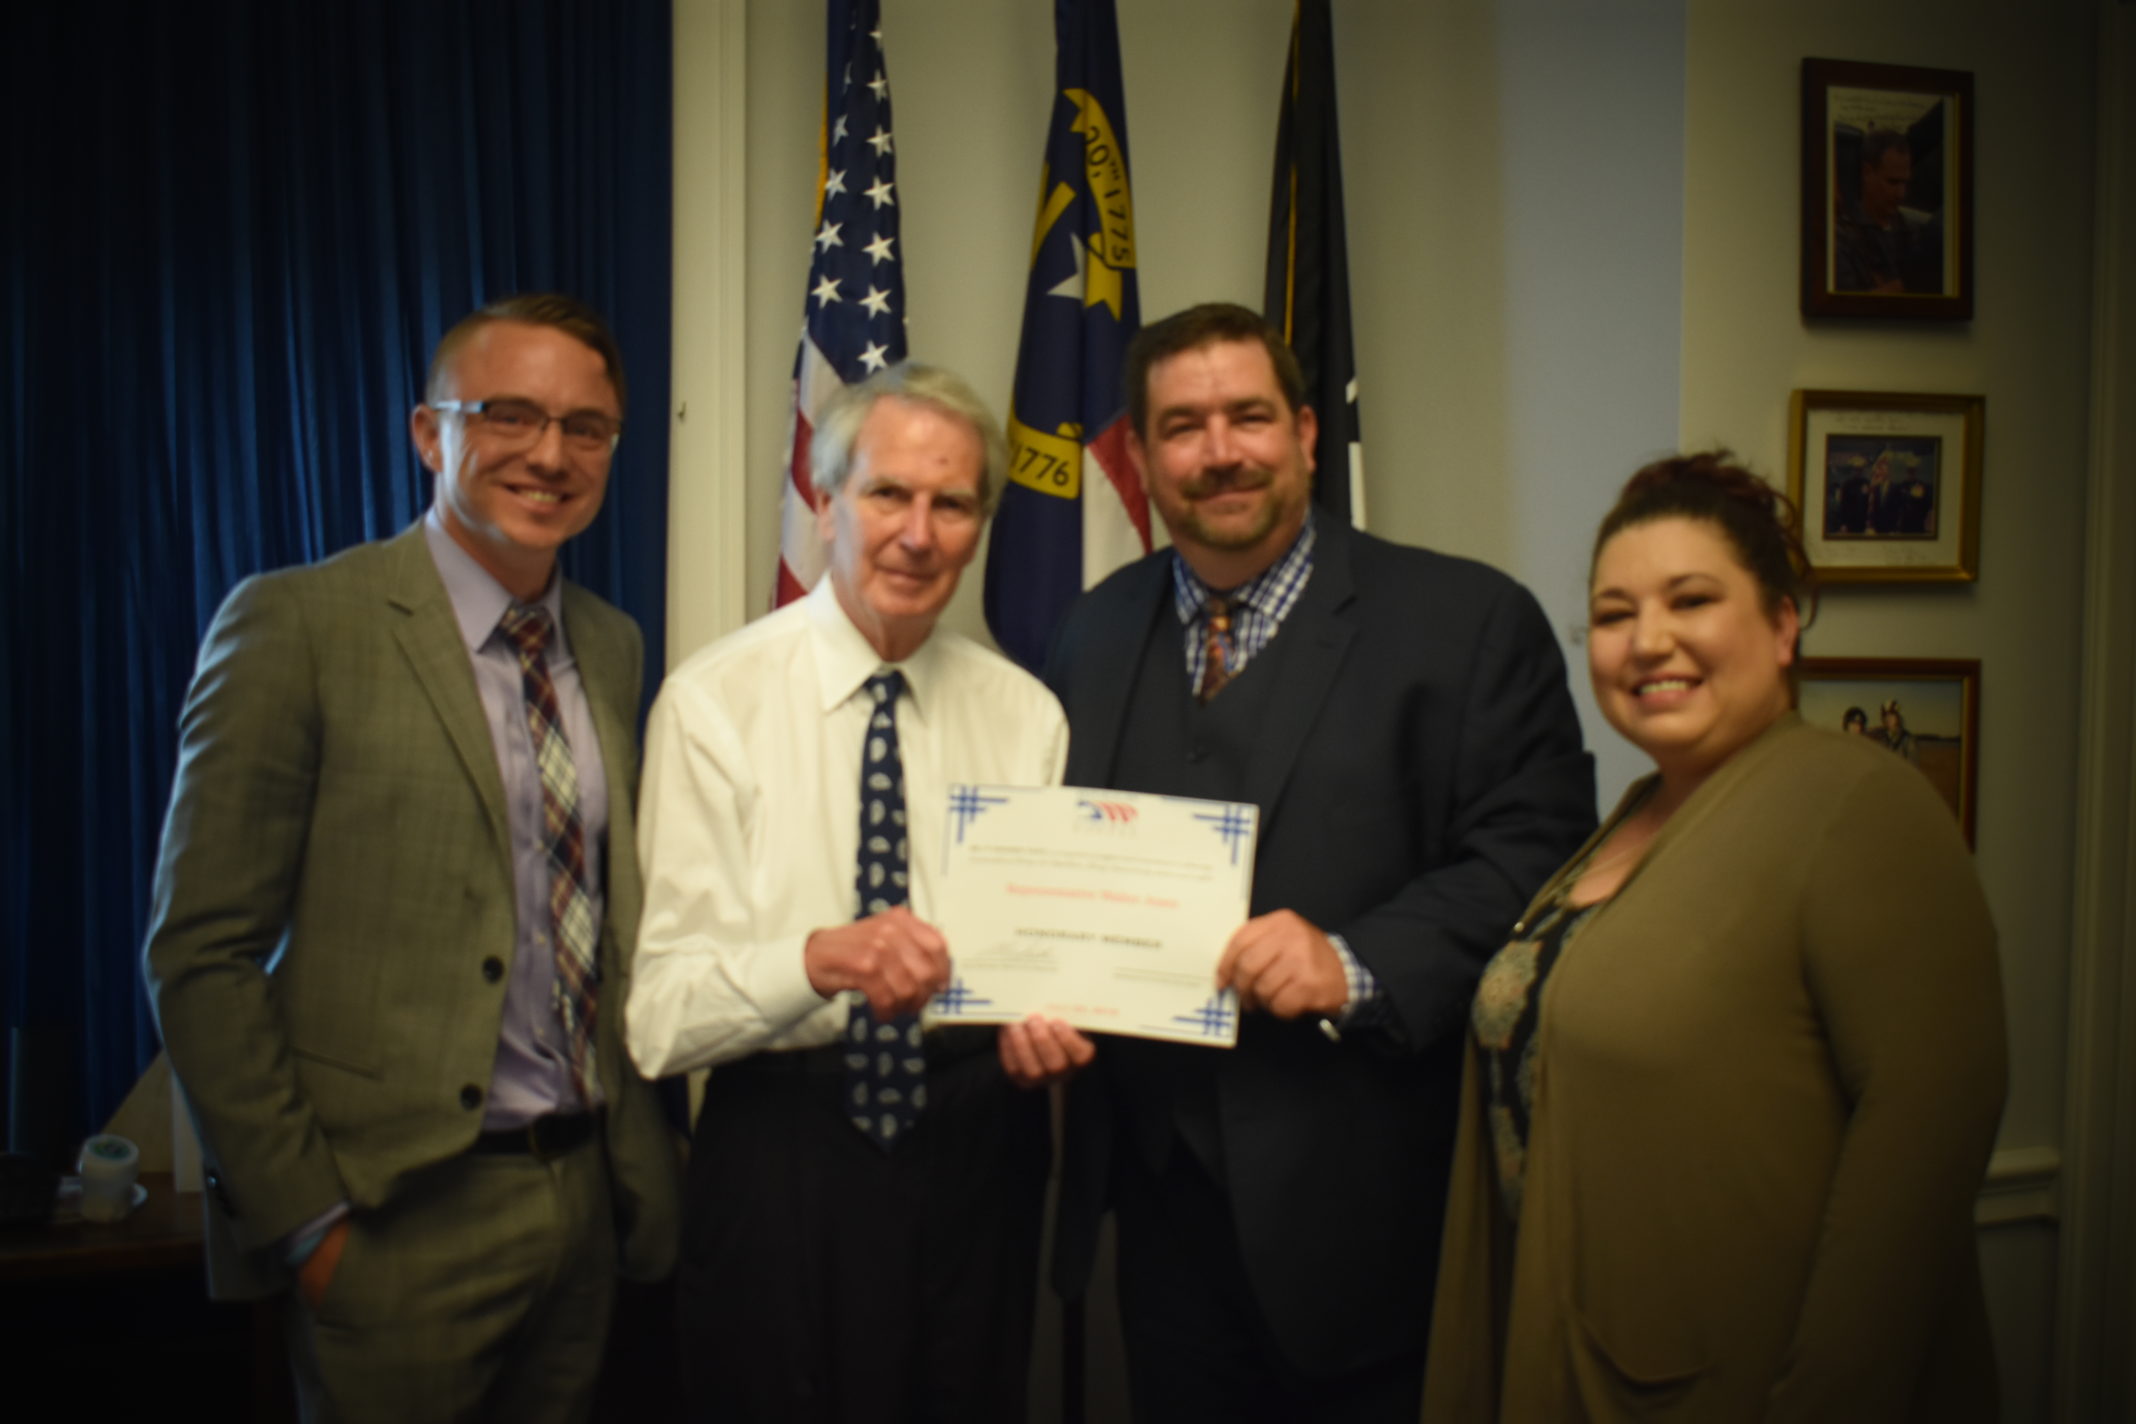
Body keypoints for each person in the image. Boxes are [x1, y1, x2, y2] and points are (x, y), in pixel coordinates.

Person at [1028, 302, 1595, 1421]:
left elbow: (1537, 859)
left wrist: (1357, 959)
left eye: (1249, 416)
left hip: (1367, 1218)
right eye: (1183, 426)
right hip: (1159, 1214)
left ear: (1302, 431)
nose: (1220, 451)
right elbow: (1060, 857)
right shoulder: (1093, 630)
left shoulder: (1467, 620)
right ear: (1141, 458)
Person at [143, 293, 682, 1421]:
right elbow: (200, 952)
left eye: (585, 427)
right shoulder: (298, 626)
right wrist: (307, 1224)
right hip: (392, 1222)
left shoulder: (613, 644)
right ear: (430, 434)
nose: (551, 454)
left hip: (584, 1201)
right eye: (510, 414)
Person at [1422, 452, 2005, 1421]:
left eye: (1690, 600)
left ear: (1781, 624)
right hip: (1577, 1355)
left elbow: (1926, 1141)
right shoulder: (1634, 814)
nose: (1648, 641)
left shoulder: (1859, 802)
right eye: (1614, 615)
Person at [627, 363, 1069, 1422]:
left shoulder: (1028, 716)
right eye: (887, 494)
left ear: (979, 528)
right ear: (825, 505)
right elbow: (659, 1022)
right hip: (786, 1151)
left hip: (980, 1149)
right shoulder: (712, 705)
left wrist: (1042, 1021)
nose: (917, 534)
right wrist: (818, 959)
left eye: (951, 503)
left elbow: (1036, 960)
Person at [1833, 127, 1943, 295]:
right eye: (1892, 182)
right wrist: (1907, 285)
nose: (1901, 194)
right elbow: (1844, 305)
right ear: (1867, 173)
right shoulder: (1842, 238)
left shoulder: (1912, 232)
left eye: (1905, 183)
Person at [1878, 697, 1924, 764]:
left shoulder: (1908, 740)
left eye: (1892, 715)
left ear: (1898, 717)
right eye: (1885, 716)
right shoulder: (1882, 739)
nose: (1888, 718)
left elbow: (1913, 765)